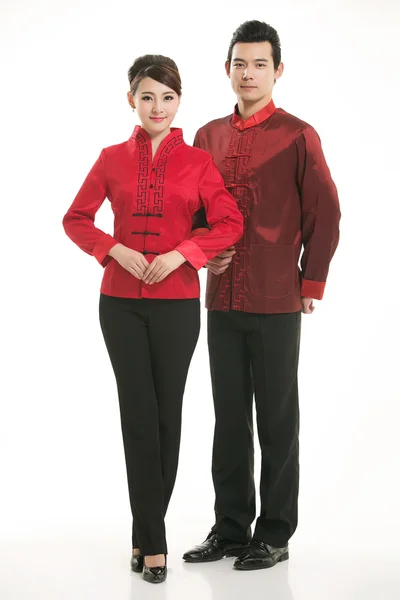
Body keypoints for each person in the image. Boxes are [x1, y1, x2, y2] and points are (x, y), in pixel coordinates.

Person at [62, 54, 243, 584]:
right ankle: (155, 543)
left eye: (167, 97)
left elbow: (229, 221)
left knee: (168, 420)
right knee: (138, 417)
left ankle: (144, 535)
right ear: (131, 100)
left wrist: (184, 252)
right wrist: (113, 249)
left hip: (178, 306)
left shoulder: (197, 164)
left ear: (178, 102)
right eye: (147, 96)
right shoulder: (110, 158)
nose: (157, 107)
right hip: (119, 304)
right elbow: (75, 218)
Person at [183, 21, 341, 571]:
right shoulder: (205, 137)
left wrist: (311, 280)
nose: (247, 74)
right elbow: (193, 213)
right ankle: (230, 528)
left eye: (258, 64)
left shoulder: (299, 135)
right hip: (222, 298)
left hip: (277, 300)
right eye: (239, 64)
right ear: (226, 69)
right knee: (228, 420)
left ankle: (273, 533)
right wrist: (202, 251)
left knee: (277, 421)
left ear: (278, 70)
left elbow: (325, 212)